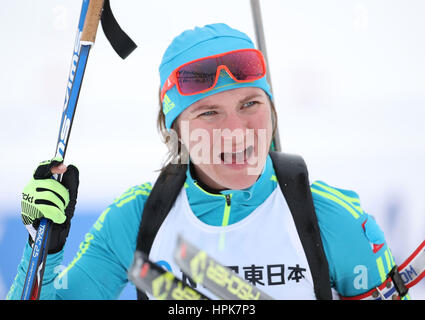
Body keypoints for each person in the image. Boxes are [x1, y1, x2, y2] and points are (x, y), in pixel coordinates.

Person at [7, 23, 409, 300]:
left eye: (250, 103)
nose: (236, 129)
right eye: (208, 113)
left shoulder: (329, 218)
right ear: (174, 129)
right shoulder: (136, 218)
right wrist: (41, 248)